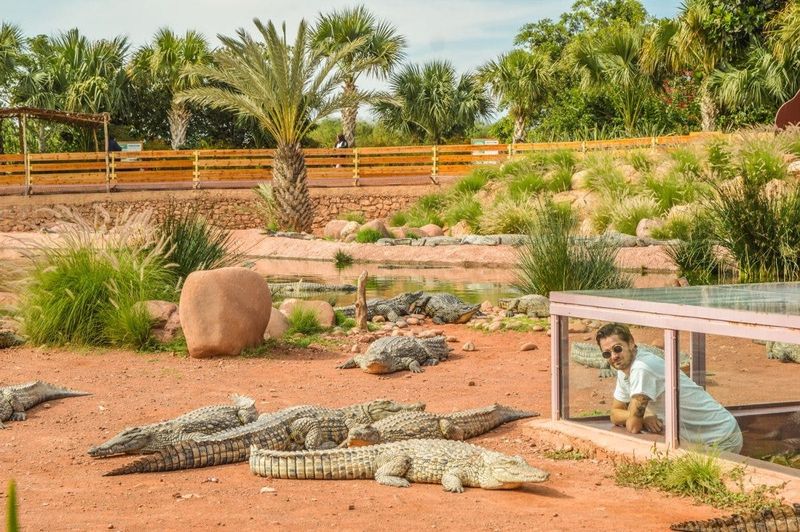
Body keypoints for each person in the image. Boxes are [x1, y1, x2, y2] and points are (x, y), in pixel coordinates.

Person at [596, 322, 743, 453]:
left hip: (720, 437)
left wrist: (638, 416)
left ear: (631, 343)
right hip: (696, 440)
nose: (614, 356)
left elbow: (633, 426)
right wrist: (644, 415)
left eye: (617, 349)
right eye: (607, 353)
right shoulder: (625, 368)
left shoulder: (642, 368)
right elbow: (614, 413)